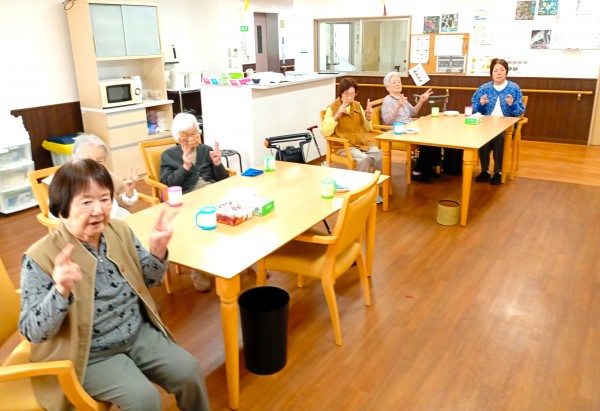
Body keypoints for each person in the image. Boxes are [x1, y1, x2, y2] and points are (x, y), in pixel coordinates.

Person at [19, 159, 210, 411]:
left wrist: (157, 250)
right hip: (89, 353)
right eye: (86, 202)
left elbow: (151, 280)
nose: (98, 210)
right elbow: (32, 332)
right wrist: (60, 291)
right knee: (144, 399)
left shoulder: (119, 230)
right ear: (62, 208)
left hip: (137, 332)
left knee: (189, 371)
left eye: (104, 199)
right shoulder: (39, 256)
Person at [160, 112, 229, 291]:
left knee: (233, 213)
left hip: (213, 193)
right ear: (177, 137)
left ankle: (227, 256)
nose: (191, 138)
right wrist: (185, 166)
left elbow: (222, 179)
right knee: (200, 224)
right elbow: (168, 184)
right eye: (186, 135)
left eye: (194, 133)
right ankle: (199, 268)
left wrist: (217, 163)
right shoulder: (168, 156)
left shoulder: (206, 150)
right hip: (187, 199)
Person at [44, 134, 139, 219]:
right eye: (88, 160)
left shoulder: (107, 175)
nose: (94, 166)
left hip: (115, 221)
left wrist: (129, 191)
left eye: (100, 161)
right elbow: (55, 215)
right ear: (74, 159)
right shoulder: (63, 180)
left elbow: (122, 203)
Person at [472, 58, 525, 185]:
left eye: (502, 70)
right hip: (487, 125)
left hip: (507, 127)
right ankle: (484, 171)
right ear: (491, 73)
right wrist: (480, 104)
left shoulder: (514, 88)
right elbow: (474, 110)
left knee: (499, 137)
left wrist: (512, 105)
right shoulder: (484, 88)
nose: (499, 73)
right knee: (483, 136)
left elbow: (520, 111)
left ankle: (498, 172)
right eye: (495, 70)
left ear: (506, 72)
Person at [380, 71, 440, 183]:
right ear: (388, 87)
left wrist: (421, 100)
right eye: (394, 82)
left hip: (409, 128)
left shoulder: (402, 97)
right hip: (397, 132)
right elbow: (388, 121)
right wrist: (398, 106)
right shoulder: (388, 101)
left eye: (399, 82)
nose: (398, 84)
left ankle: (427, 168)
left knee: (434, 136)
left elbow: (413, 112)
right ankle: (416, 172)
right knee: (426, 141)